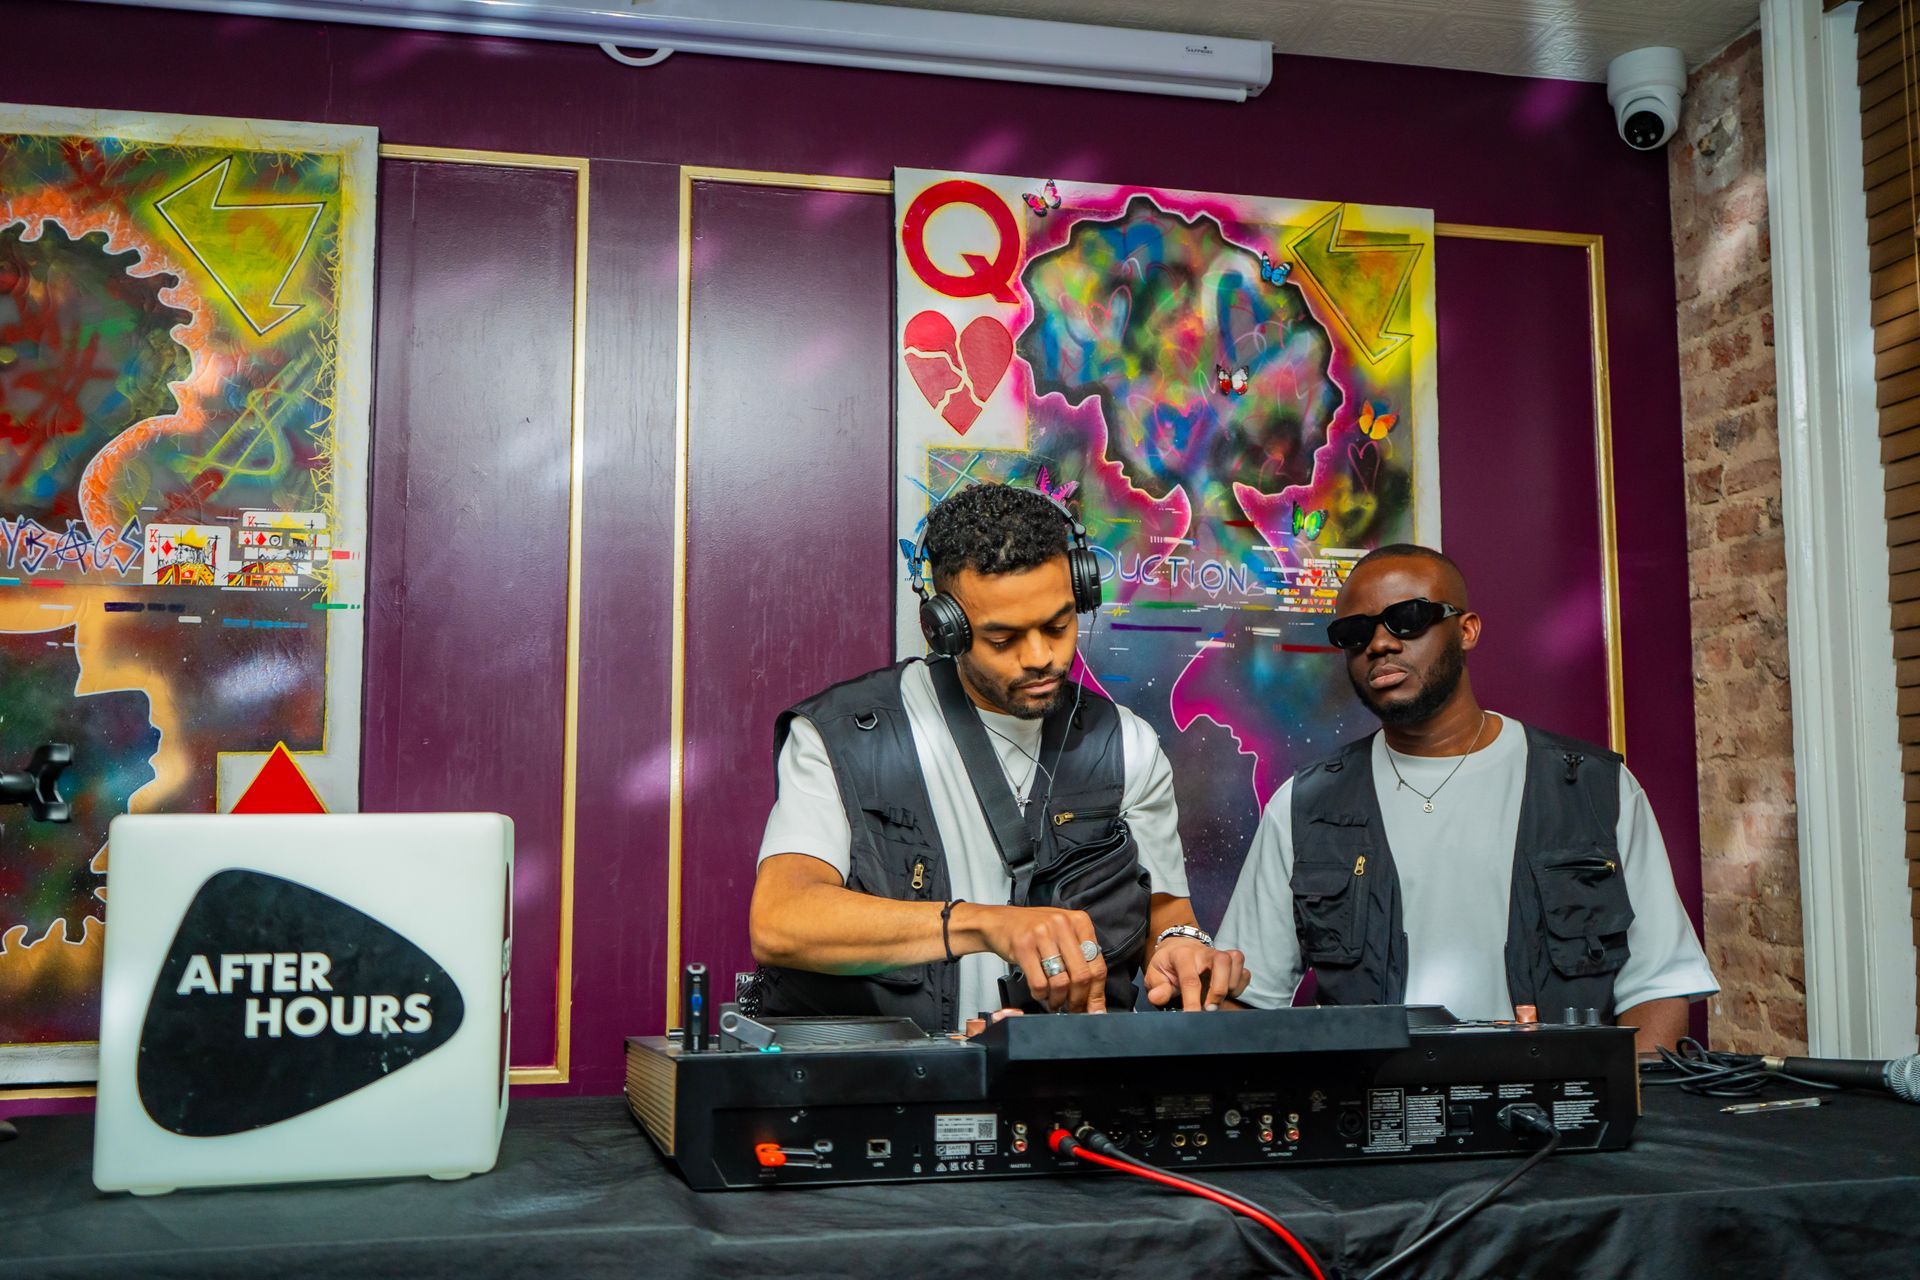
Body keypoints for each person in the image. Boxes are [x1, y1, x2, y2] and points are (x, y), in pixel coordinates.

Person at [749, 482, 1247, 1031]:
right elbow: (781, 922)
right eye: (1004, 638)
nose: (1041, 657)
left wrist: (1181, 946)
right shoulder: (840, 737)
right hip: (897, 1087)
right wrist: (987, 926)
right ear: (944, 630)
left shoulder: (1127, 745)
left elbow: (1167, 913)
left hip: (1057, 1094)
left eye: (1058, 625)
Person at [1216, 544, 1715, 1051]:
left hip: (1557, 1116)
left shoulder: (1594, 789)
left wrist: (1609, 1113)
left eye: (1407, 619)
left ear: (1467, 629)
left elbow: (1659, 986)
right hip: (1375, 1116)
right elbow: (1246, 997)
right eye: (1355, 633)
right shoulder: (1305, 806)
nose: (1380, 644)